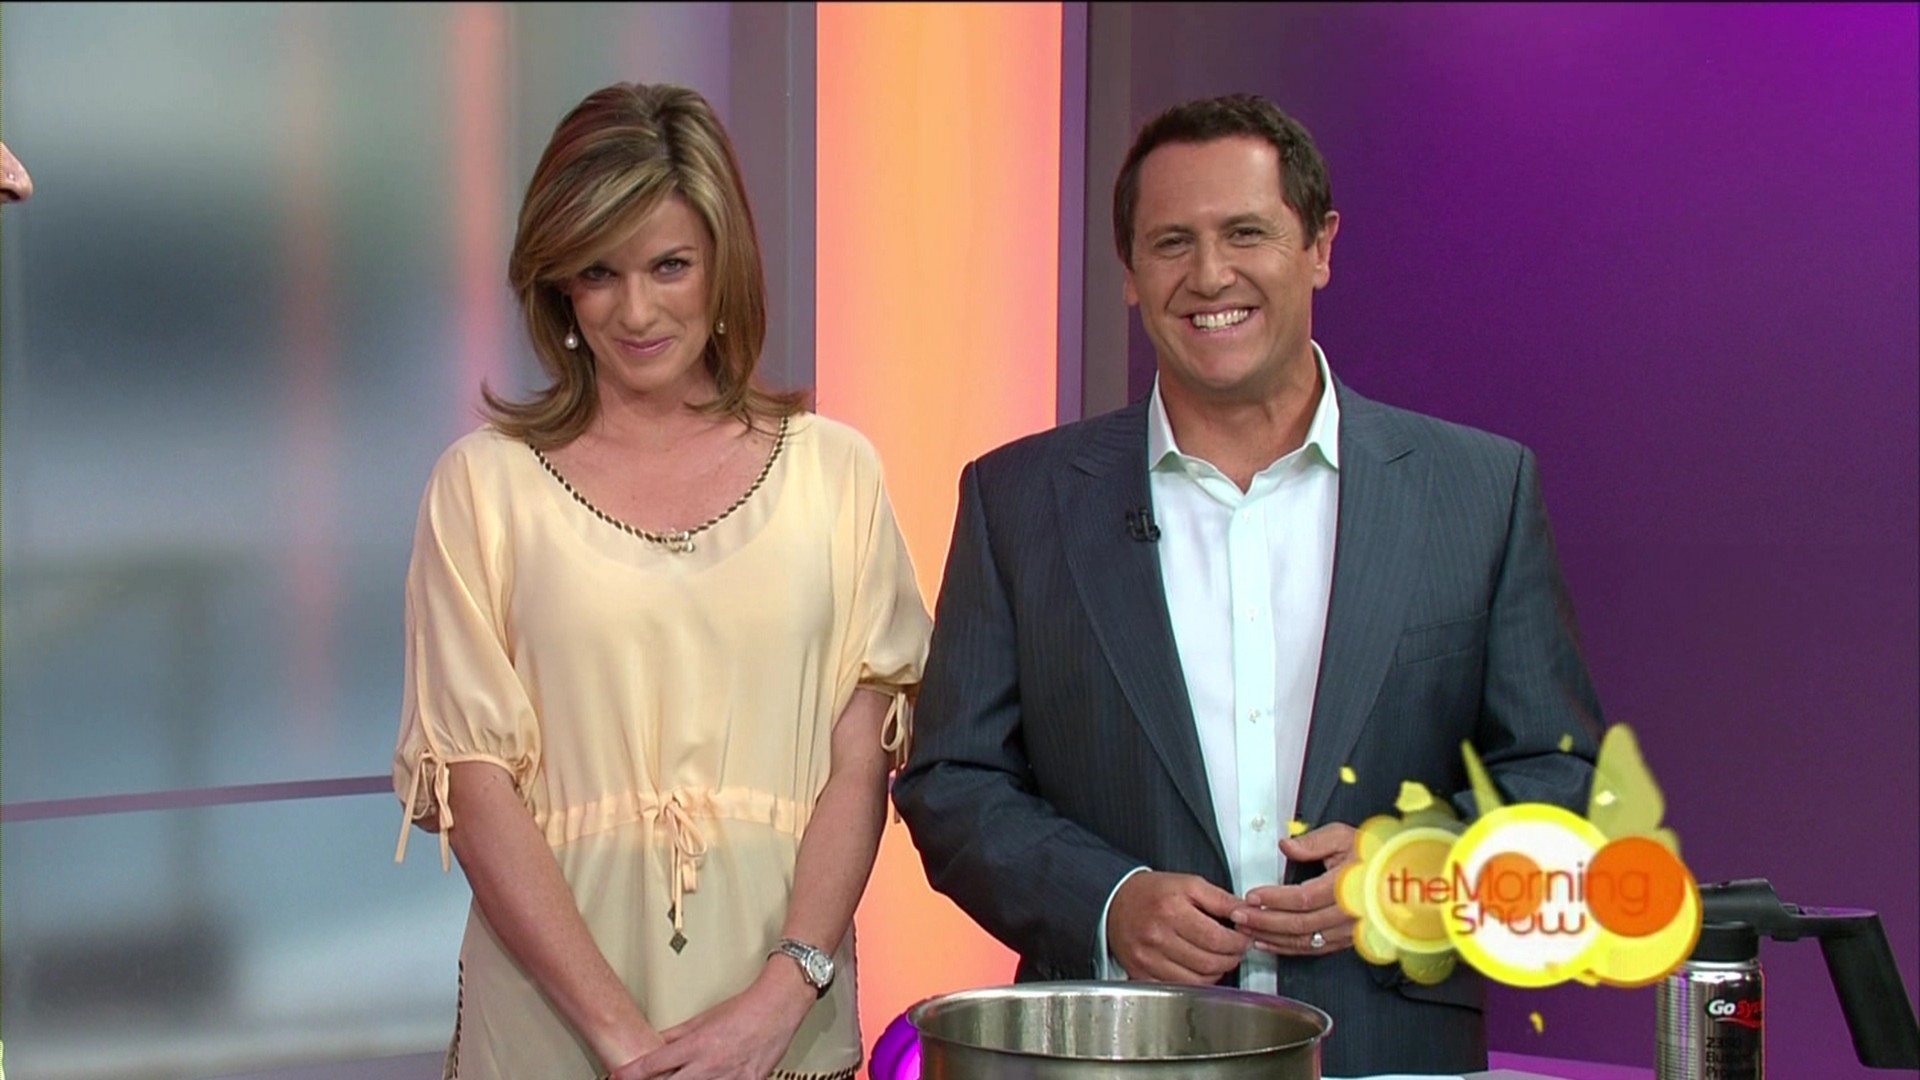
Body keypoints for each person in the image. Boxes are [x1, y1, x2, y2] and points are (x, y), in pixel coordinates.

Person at [891, 93, 1604, 1076]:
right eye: (1171, 243)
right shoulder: (1020, 500)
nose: (1209, 275)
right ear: (1130, 275)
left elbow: (1560, 778)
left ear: (1320, 247)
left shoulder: (1478, 491)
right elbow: (953, 782)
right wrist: (1108, 903)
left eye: (1246, 233)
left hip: (1391, 1050)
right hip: (1115, 1050)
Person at [392, 82, 930, 1080]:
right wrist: (628, 1048)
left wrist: (781, 998)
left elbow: (861, 767)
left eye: (669, 266)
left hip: (784, 1034)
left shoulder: (836, 475)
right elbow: (475, 786)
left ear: (723, 266)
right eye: (599, 271)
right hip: (552, 1041)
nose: (636, 310)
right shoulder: (483, 486)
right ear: (558, 284)